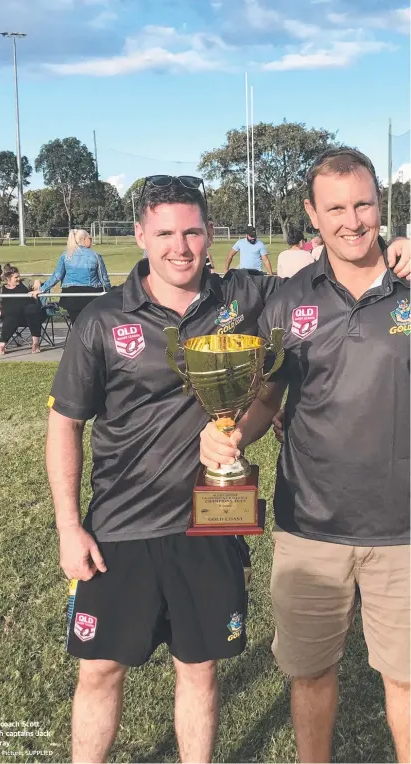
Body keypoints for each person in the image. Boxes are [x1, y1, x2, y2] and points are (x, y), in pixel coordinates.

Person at [46, 171, 411, 764]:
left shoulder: (248, 298)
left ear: (211, 235)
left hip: (211, 524)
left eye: (192, 232)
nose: (180, 247)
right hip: (120, 527)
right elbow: (65, 423)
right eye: (165, 233)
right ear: (140, 234)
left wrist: (401, 248)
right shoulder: (101, 321)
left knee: (199, 672)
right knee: (99, 671)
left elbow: (340, 271)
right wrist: (68, 525)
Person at [199, 147, 410, 763]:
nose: (353, 220)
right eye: (336, 207)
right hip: (310, 526)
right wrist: (231, 432)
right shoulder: (286, 300)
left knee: (404, 680)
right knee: (311, 675)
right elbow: (266, 397)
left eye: (364, 203)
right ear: (312, 215)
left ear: (380, 205)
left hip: (403, 528)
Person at [30, 229, 111, 324]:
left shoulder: (66, 255)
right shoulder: (95, 256)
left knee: (76, 325)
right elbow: (103, 278)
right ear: (84, 239)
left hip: (71, 296)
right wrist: (109, 292)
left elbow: (57, 276)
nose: (91, 240)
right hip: (92, 295)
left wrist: (42, 289)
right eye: (90, 238)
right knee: (91, 325)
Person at [0, 264, 42, 355]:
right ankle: (2, 344)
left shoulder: (25, 282)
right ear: (8, 278)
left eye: (19, 276)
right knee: (11, 313)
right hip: (12, 316)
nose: (18, 278)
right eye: (16, 277)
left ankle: (35, 342)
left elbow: (37, 284)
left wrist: (37, 282)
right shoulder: (1, 289)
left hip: (28, 315)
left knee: (31, 309)